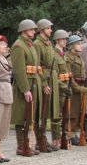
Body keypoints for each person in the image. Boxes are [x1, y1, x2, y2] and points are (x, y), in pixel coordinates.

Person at [10, 19, 41, 157]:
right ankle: (22, 146)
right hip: (25, 84)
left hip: (33, 82)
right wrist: (25, 89)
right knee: (22, 115)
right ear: (24, 31)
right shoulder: (18, 46)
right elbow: (19, 70)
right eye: (32, 29)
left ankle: (28, 144)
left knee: (30, 116)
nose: (34, 31)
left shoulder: (29, 45)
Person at [33, 19, 59, 152]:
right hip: (43, 77)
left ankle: (44, 139)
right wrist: (43, 83)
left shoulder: (48, 43)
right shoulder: (37, 44)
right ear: (42, 30)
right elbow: (37, 65)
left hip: (51, 77)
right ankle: (40, 140)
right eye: (48, 28)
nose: (51, 30)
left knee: (47, 110)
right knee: (41, 111)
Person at [65, 35, 87, 145]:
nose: (81, 46)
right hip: (72, 88)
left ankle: (74, 133)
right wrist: (79, 88)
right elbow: (69, 76)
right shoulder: (68, 58)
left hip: (80, 88)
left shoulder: (78, 57)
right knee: (71, 112)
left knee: (79, 111)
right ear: (72, 46)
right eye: (78, 44)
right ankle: (69, 134)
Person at [52, 29, 71, 149]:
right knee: (57, 115)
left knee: (65, 115)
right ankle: (56, 139)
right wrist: (64, 87)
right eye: (63, 39)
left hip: (65, 87)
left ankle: (63, 138)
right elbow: (55, 74)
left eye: (66, 39)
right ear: (57, 40)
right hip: (59, 88)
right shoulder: (54, 54)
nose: (65, 41)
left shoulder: (63, 54)